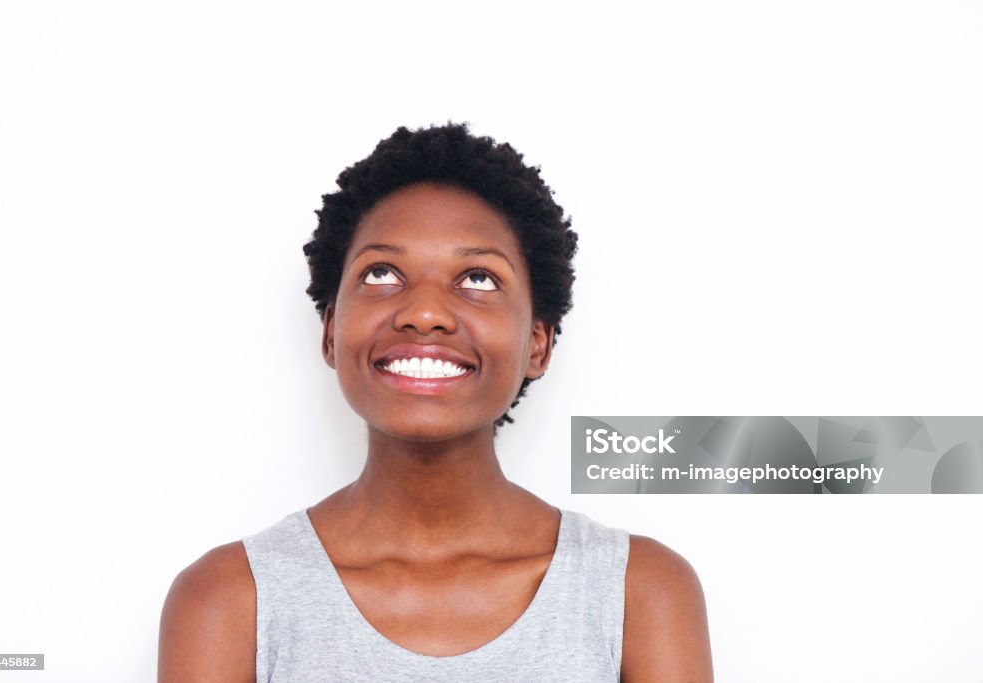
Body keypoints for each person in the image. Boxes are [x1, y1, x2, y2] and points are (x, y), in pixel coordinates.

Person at [158, 123, 713, 682]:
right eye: (382, 273)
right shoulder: (230, 599)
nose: (424, 313)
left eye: (478, 277)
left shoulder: (639, 592)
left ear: (537, 344)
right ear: (330, 332)